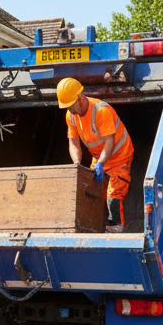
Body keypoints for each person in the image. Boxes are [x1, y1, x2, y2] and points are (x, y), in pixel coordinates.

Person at [58, 77, 135, 232]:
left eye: (70, 105)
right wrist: (77, 165)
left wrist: (101, 163)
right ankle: (94, 226)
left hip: (120, 155)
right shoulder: (71, 115)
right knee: (93, 192)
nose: (69, 109)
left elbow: (110, 143)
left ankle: (114, 230)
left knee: (114, 195)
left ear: (80, 98)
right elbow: (73, 143)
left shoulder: (101, 111)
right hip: (100, 157)